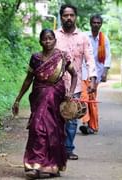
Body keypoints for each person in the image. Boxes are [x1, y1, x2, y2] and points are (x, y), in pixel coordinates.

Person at [12, 29, 77, 178]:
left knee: (54, 131)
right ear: (40, 41)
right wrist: (18, 99)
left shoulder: (62, 56)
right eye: (44, 39)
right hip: (39, 94)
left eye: (50, 38)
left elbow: (74, 75)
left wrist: (71, 92)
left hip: (56, 95)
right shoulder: (35, 58)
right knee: (37, 128)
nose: (47, 41)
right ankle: (35, 165)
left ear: (55, 40)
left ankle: (52, 166)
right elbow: (28, 79)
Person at [55, 4, 97, 160]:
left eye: (72, 15)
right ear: (61, 17)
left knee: (72, 118)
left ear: (76, 17)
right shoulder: (54, 36)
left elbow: (90, 60)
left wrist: (92, 79)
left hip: (76, 84)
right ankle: (56, 147)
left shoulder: (83, 38)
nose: (69, 18)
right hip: (56, 84)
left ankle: (68, 149)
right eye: (66, 15)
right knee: (57, 116)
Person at [79, 14, 112, 135]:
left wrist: (105, 72)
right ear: (90, 23)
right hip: (83, 72)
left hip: (96, 74)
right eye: (94, 22)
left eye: (98, 23)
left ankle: (93, 125)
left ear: (101, 24)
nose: (96, 25)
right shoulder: (83, 36)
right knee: (84, 97)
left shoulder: (104, 39)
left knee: (92, 99)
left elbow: (108, 56)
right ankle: (85, 123)